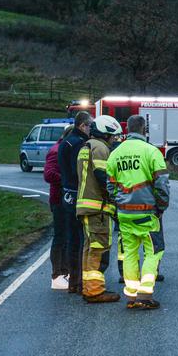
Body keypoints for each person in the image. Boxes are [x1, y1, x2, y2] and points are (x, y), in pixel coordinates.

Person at [106, 115, 170, 310]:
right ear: (144, 129)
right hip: (147, 213)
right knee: (153, 251)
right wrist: (161, 206)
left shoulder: (115, 154)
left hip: (124, 213)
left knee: (130, 253)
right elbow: (162, 184)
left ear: (127, 129)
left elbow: (110, 186)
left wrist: (119, 204)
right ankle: (145, 294)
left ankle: (132, 295)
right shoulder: (151, 152)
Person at [76, 115, 123, 303]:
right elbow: (103, 177)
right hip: (97, 207)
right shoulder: (100, 148)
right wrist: (115, 198)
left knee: (89, 248)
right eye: (113, 137)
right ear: (106, 133)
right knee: (98, 249)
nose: (114, 140)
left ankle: (88, 287)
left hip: (86, 206)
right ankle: (95, 291)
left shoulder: (86, 146)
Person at [58, 111, 91, 294]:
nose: (90, 129)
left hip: (66, 194)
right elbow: (78, 171)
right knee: (81, 240)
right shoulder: (79, 144)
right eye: (89, 126)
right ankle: (79, 281)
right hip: (77, 194)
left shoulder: (65, 142)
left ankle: (73, 280)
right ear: (82, 125)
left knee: (72, 239)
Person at [44, 124, 74, 289]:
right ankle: (57, 274)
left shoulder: (62, 149)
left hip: (65, 199)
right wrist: (66, 180)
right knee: (60, 237)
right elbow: (48, 174)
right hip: (59, 200)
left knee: (67, 237)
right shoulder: (57, 151)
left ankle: (65, 271)